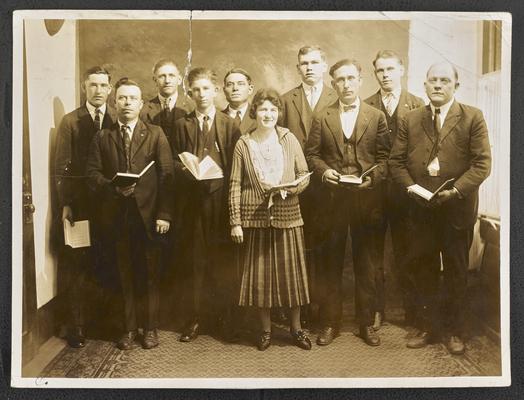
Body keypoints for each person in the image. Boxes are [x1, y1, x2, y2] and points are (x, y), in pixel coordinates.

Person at [389, 61, 491, 355]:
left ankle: (456, 331)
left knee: (457, 270)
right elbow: (396, 162)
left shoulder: (472, 117)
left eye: (444, 80)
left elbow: (482, 164)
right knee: (424, 269)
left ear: (455, 86)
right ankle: (428, 327)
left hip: (456, 209)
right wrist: (412, 188)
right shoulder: (410, 119)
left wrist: (456, 191)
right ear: (425, 85)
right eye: (432, 80)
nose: (437, 85)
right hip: (421, 209)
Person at [305, 59, 390, 347]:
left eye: (351, 78)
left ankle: (366, 324)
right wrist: (324, 171)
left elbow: (386, 159)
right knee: (331, 262)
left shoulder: (376, 116)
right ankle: (331, 323)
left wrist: (372, 180)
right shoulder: (322, 116)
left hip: (367, 200)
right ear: (333, 84)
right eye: (340, 80)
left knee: (365, 263)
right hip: (332, 200)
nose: (346, 84)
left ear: (360, 80)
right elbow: (311, 155)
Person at [86, 78, 174, 350]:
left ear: (140, 103)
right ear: (114, 102)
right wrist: (113, 189)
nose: (127, 103)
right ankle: (128, 328)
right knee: (122, 273)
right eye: (122, 98)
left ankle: (150, 328)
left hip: (148, 218)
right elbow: (91, 174)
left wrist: (164, 215)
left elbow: (167, 176)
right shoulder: (103, 136)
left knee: (149, 273)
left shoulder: (156, 133)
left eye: (132, 98)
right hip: (117, 216)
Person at [229, 88, 312, 351]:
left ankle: (296, 329)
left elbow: (305, 174)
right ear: (254, 112)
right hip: (255, 219)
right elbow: (234, 184)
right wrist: (235, 221)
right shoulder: (244, 143)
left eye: (273, 110)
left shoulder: (289, 139)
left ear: (279, 113)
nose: (268, 114)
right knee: (261, 278)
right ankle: (265, 331)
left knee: (293, 277)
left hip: (289, 216)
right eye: (263, 109)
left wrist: (292, 189)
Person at [170, 67, 240, 343]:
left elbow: (237, 165)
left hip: (221, 203)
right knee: (195, 262)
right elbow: (172, 163)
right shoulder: (181, 125)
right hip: (192, 203)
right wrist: (186, 169)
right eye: (196, 90)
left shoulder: (229, 124)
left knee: (222, 261)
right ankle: (195, 319)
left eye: (206, 89)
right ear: (189, 93)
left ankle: (223, 319)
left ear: (216, 91)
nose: (201, 94)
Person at [364, 50, 425, 330]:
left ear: (402, 69)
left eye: (390, 69)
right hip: (374, 192)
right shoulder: (365, 106)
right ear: (375, 73)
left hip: (405, 192)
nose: (385, 75)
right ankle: (376, 311)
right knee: (373, 254)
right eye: (380, 70)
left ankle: (412, 312)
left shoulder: (418, 104)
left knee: (408, 251)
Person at [54, 66, 114, 348]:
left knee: (104, 261)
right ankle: (77, 326)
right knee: (78, 264)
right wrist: (66, 204)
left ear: (110, 89)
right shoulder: (70, 121)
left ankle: (102, 322)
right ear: (84, 88)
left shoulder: (115, 119)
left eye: (103, 85)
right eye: (93, 85)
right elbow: (62, 167)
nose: (98, 90)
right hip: (80, 205)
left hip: (110, 206)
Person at [280, 46, 338, 327]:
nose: (309, 67)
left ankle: (322, 311)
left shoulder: (338, 96)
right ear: (298, 68)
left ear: (324, 65)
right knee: (296, 248)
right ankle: (298, 310)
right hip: (295, 187)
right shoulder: (285, 100)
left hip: (328, 187)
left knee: (325, 249)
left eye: (315, 62)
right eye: (304, 63)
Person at [140, 59, 193, 136]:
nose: (167, 81)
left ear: (179, 80)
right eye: (162, 76)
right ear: (155, 80)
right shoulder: (143, 110)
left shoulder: (192, 107)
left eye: (171, 76)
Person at [222, 68, 256, 134]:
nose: (235, 88)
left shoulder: (259, 116)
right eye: (230, 84)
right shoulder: (215, 119)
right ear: (224, 90)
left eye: (240, 84)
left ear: (250, 89)